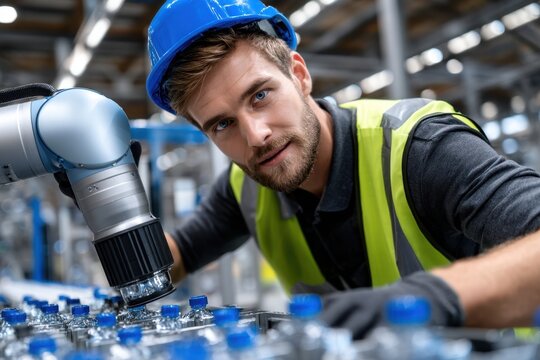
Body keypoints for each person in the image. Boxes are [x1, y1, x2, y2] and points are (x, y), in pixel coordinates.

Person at [73, 0, 540, 339]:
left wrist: (431, 298)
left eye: (260, 95)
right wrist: (108, 204)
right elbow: (172, 261)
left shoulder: (418, 148)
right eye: (222, 124)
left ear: (298, 73)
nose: (255, 135)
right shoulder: (246, 188)